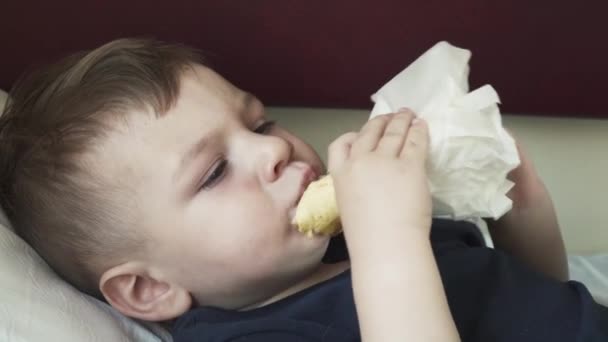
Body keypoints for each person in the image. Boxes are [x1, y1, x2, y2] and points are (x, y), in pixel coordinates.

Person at [0, 38, 606, 342]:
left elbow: (540, 303)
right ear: (149, 288)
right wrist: (389, 243)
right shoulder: (268, 334)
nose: (272, 149)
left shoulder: (341, 243)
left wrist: (516, 202)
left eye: (258, 122)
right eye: (213, 173)